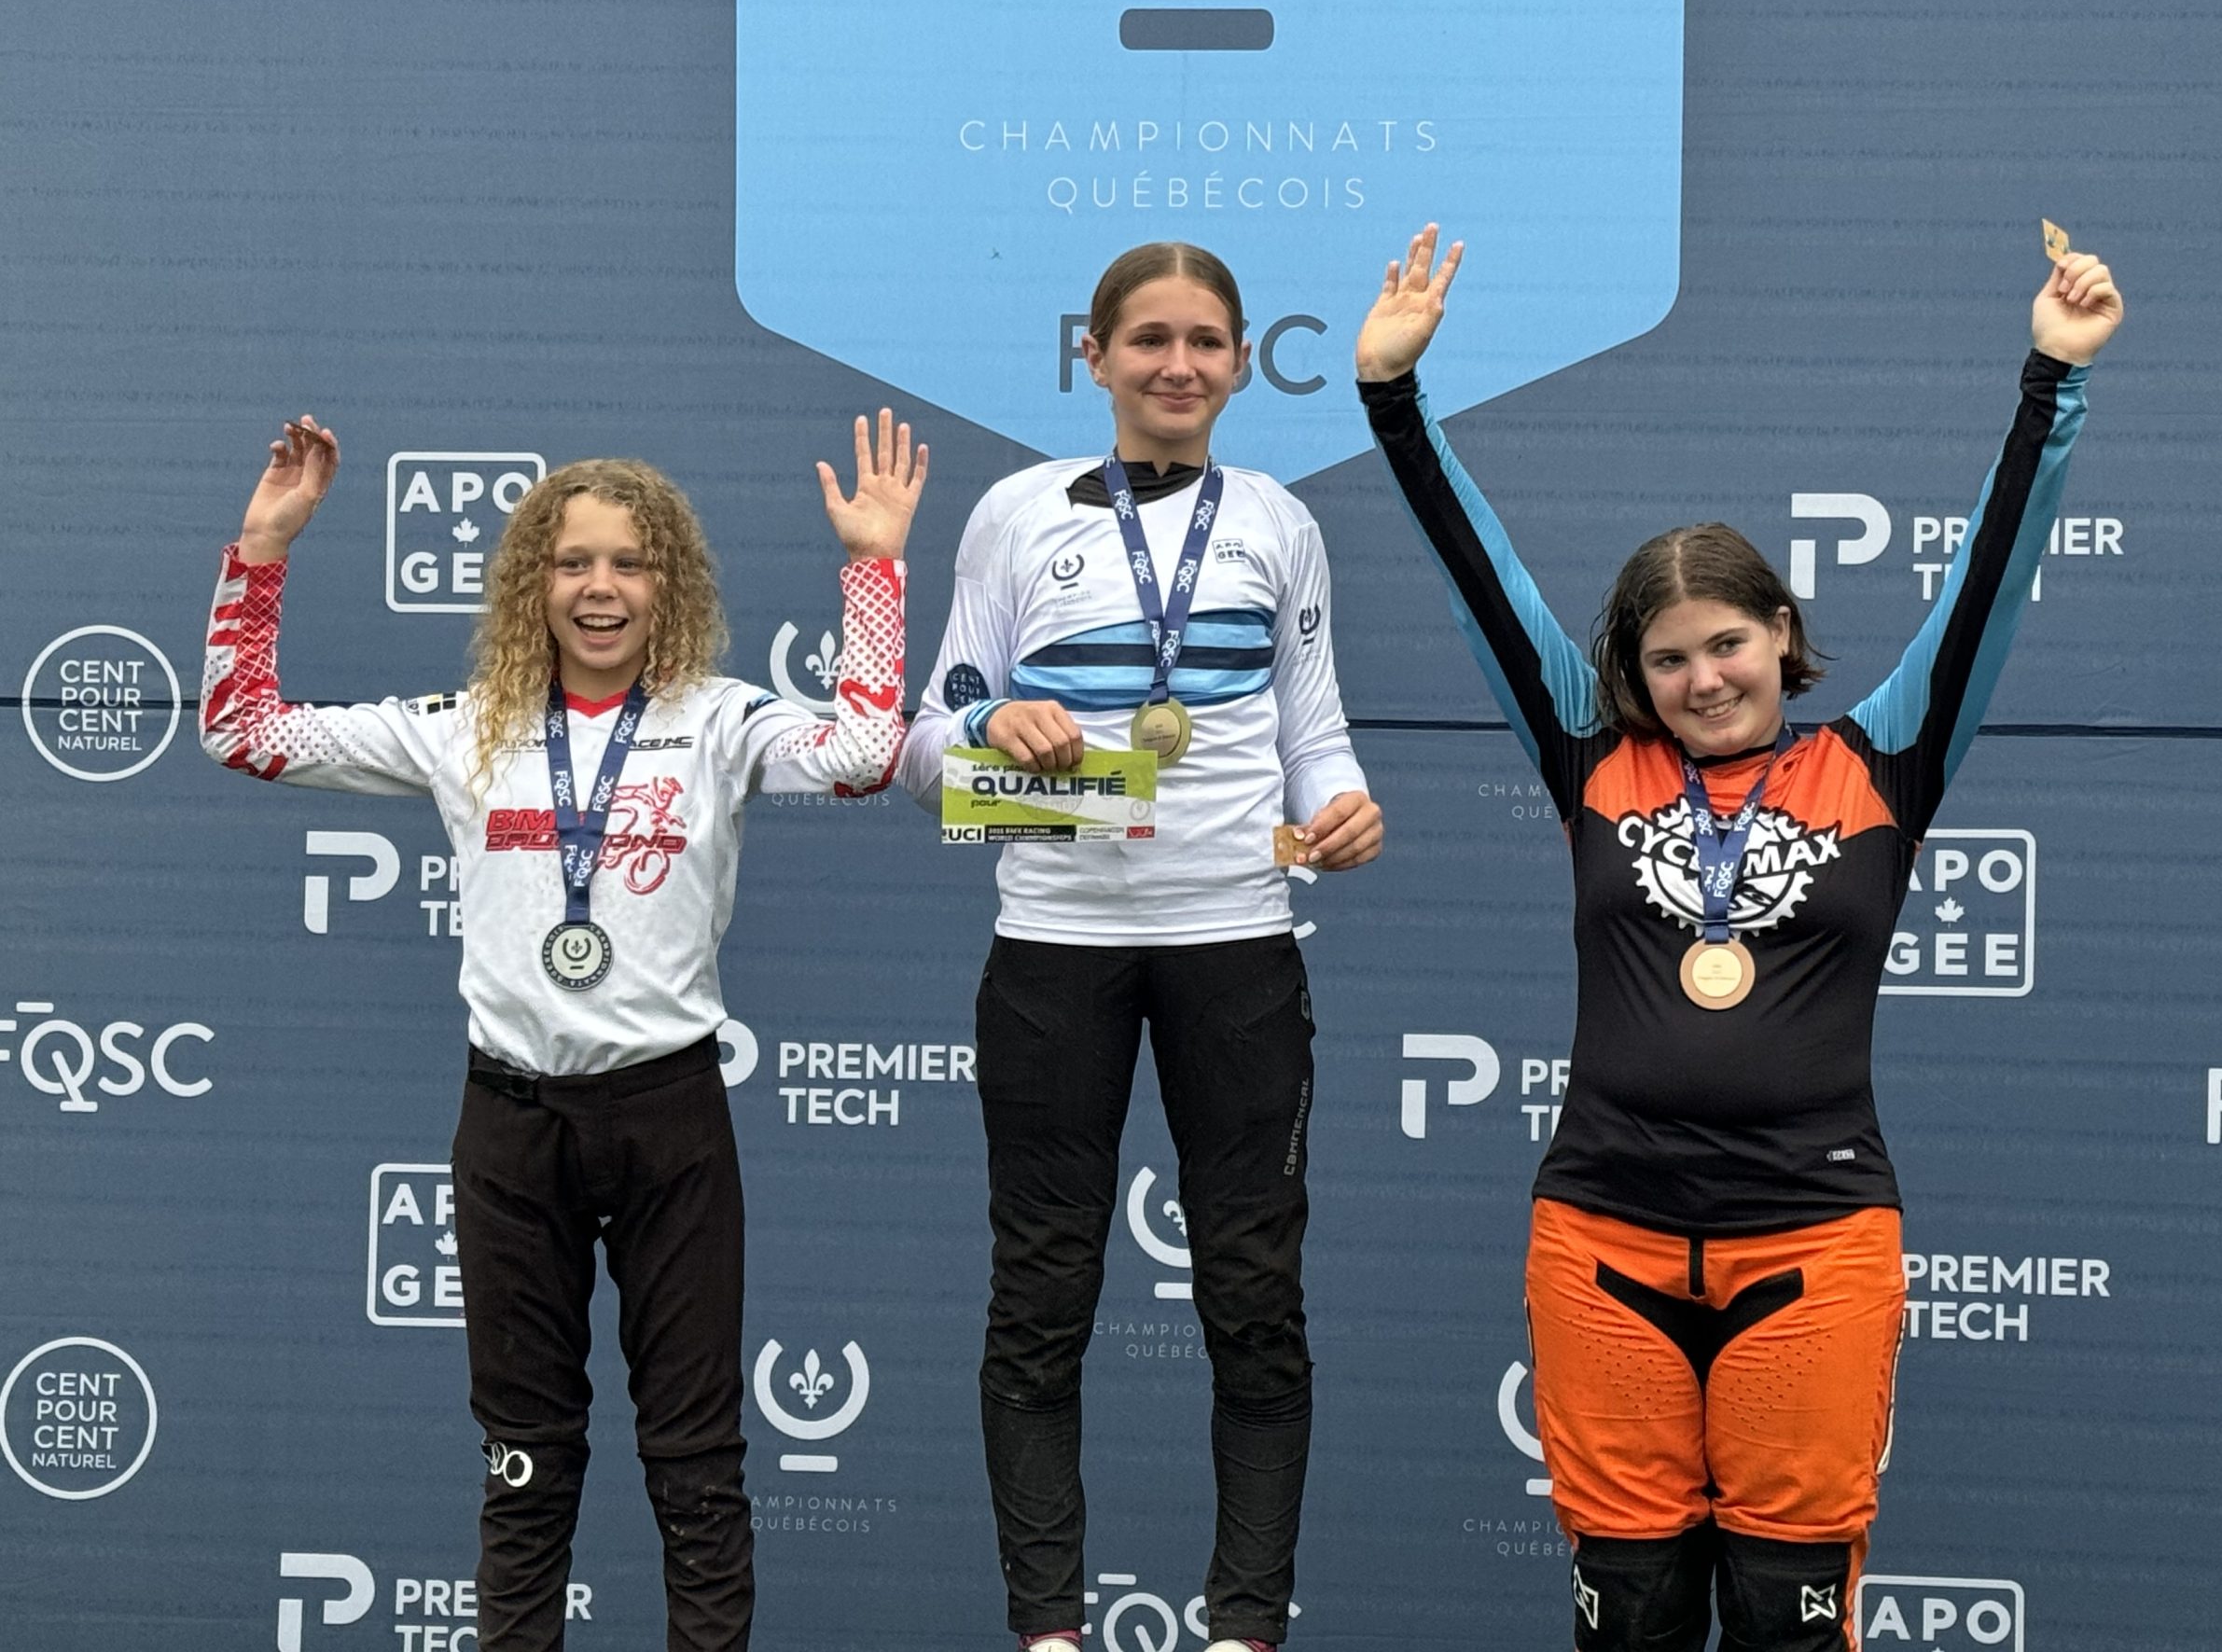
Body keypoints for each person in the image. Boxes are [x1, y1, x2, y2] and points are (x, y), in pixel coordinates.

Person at [1354, 226, 2122, 1651]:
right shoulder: (1591, 757)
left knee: (1785, 1620)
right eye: (1667, 657)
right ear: (1630, 674)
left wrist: (2052, 380)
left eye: (1727, 644)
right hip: (1603, 1240)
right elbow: (1480, 575)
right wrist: (1395, 403)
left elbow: (1992, 579)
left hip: (1813, 1245)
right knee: (1630, 1616)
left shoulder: (1884, 760)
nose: (1702, 679)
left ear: (1782, 631)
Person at [200, 412, 927, 1651]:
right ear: (536, 582)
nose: (600, 588)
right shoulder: (461, 722)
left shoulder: (718, 721)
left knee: (695, 1459)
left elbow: (864, 756)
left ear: (670, 584)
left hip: (669, 1119)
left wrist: (873, 565)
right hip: (512, 1121)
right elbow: (241, 730)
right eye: (574, 561)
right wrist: (263, 546)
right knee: (524, 1458)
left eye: (630, 563)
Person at [896, 242, 1382, 1652]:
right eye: (1151, 339)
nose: (1180, 365)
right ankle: (1048, 1632)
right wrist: (995, 726)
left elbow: (1315, 729)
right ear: (1093, 355)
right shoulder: (1014, 513)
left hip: (1238, 947)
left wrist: (1340, 811)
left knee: (1255, 1303)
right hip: (1055, 951)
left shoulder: (1279, 520)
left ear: (1241, 362)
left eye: (1208, 342)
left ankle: (1243, 1632)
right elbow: (927, 746)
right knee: (1041, 1303)